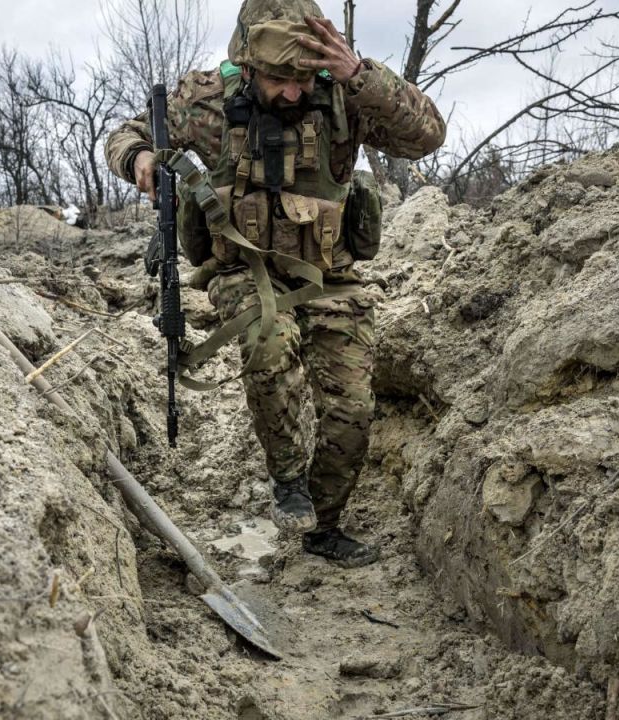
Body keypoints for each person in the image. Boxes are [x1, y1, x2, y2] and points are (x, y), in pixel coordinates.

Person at [105, 0, 445, 568]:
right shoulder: (207, 98)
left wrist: (358, 74)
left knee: (353, 407)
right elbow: (125, 135)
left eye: (303, 79)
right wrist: (137, 156)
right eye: (279, 80)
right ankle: (287, 478)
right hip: (241, 270)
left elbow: (427, 134)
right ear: (248, 66)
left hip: (330, 278)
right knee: (268, 339)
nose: (293, 93)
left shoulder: (342, 94)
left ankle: (325, 524)